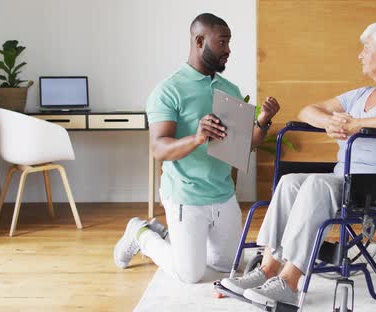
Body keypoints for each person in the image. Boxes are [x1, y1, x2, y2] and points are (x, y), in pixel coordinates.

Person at [221, 21, 376, 307]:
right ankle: (267, 268)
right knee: (290, 182)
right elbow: (308, 111)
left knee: (318, 183)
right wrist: (331, 122)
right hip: (347, 180)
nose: (360, 55)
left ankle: (289, 283)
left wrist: (357, 124)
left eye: (367, 49)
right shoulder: (358, 96)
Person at [113, 13, 280, 284]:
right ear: (199, 40)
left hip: (223, 194)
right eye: (222, 42)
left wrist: (262, 122)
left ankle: (175, 238)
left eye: (229, 42)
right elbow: (158, 148)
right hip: (185, 196)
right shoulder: (169, 90)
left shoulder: (229, 90)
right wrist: (197, 138)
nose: (228, 49)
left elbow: (244, 145)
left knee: (228, 265)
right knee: (189, 274)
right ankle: (140, 234)